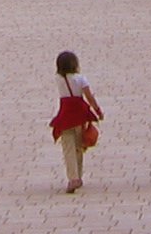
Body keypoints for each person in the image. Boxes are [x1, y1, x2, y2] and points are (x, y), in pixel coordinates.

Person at [49, 49, 104, 194]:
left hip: (65, 116)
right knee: (79, 146)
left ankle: (72, 177)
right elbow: (89, 97)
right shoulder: (81, 79)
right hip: (80, 116)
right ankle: (78, 175)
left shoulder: (59, 80)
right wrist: (97, 110)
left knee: (68, 148)